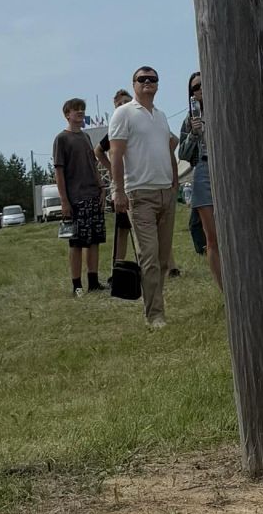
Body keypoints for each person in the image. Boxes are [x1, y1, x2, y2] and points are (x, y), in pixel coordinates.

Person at [108, 66, 179, 328]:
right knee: (148, 256)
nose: (148, 83)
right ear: (134, 84)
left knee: (162, 259)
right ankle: (155, 315)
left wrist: (174, 182)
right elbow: (116, 154)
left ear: (158, 85)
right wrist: (118, 191)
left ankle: (156, 304)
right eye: (142, 79)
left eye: (152, 79)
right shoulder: (123, 114)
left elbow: (168, 150)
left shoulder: (160, 117)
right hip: (140, 194)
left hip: (166, 192)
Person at [53, 100, 108, 296]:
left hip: (93, 195)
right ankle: (76, 285)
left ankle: (93, 281)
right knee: (76, 243)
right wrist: (64, 200)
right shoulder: (61, 139)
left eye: (82, 109)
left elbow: (93, 165)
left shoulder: (85, 137)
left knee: (94, 240)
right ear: (67, 114)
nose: (80, 112)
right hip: (75, 199)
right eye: (75, 109)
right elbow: (59, 172)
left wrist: (101, 186)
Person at [177, 74, 222, 291]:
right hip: (203, 169)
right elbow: (183, 154)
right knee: (211, 237)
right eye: (196, 86)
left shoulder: (225, 107)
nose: (201, 89)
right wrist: (194, 134)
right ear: (192, 93)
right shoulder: (190, 118)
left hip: (227, 168)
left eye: (205, 83)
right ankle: (226, 290)